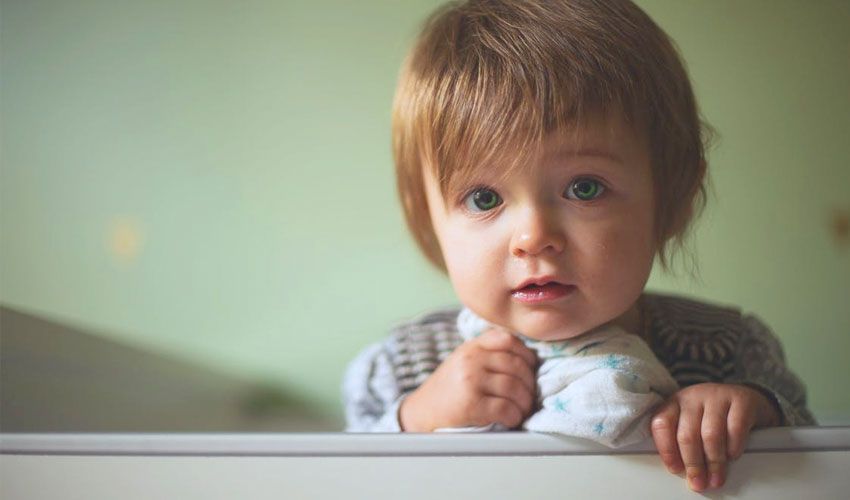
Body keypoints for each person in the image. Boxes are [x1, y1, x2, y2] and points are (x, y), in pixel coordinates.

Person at [342, 0, 814, 492]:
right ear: (428, 217)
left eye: (584, 187)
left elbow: (812, 455)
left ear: (671, 199)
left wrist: (750, 413)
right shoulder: (405, 366)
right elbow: (342, 477)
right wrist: (414, 422)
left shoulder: (724, 347)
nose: (533, 237)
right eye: (484, 198)